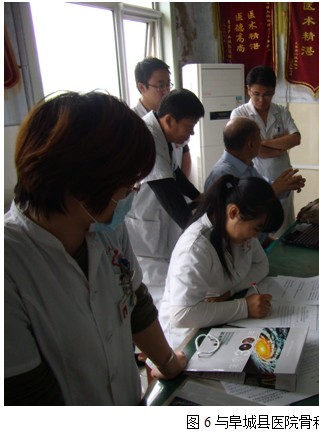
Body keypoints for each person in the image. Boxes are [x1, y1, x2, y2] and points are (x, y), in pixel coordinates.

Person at [4, 91, 186, 405]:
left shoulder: (105, 227)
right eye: (127, 185)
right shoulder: (11, 262)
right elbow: (27, 393)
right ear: (81, 184)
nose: (131, 194)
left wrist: (169, 363)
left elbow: (135, 302)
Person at [158, 174, 284, 350]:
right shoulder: (196, 248)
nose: (256, 237)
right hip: (186, 339)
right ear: (233, 212)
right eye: (256, 228)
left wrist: (229, 292)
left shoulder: (239, 231)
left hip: (216, 319)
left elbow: (262, 265)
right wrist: (244, 307)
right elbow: (182, 315)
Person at [125, 89, 204, 306]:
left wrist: (199, 196)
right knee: (160, 294)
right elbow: (167, 192)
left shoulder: (161, 134)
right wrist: (201, 232)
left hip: (156, 223)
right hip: (145, 236)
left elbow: (175, 171)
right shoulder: (148, 137)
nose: (192, 133)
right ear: (169, 120)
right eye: (189, 126)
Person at [230, 65, 301, 236]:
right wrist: (280, 145)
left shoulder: (281, 111)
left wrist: (263, 143)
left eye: (267, 94)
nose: (261, 100)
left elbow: (296, 139)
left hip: (282, 178)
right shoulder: (239, 114)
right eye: (256, 94)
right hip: (255, 181)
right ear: (248, 90)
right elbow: (251, 150)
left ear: (274, 91)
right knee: (258, 231)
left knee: (283, 231)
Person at [133, 57, 191, 178]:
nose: (166, 91)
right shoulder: (133, 122)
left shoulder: (172, 114)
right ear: (142, 87)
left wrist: (184, 186)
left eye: (168, 84)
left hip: (175, 184)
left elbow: (185, 152)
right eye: (160, 86)